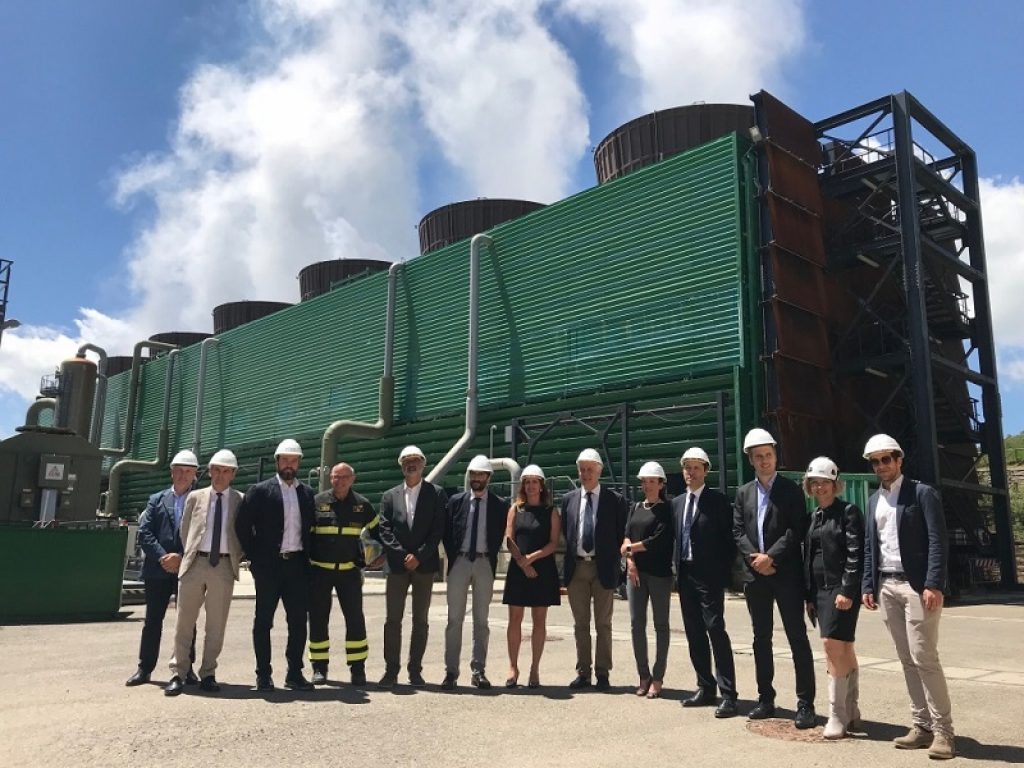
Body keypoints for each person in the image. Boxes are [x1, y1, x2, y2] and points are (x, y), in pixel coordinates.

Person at [861, 434, 955, 760]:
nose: (882, 465)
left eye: (887, 459)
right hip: (886, 587)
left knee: (924, 657)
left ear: (899, 460)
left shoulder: (922, 493)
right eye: (876, 461)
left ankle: (944, 732)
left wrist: (933, 583)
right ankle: (921, 726)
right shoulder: (873, 501)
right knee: (905, 659)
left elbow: (937, 541)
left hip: (916, 587)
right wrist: (867, 585)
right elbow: (871, 547)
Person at [733, 428, 816, 728]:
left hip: (785, 575)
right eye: (759, 457)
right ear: (751, 460)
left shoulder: (791, 490)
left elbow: (797, 530)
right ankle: (765, 699)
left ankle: (805, 704)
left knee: (797, 638)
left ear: (775, 456)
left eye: (769, 455)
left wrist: (772, 557)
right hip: (757, 577)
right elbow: (738, 531)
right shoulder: (743, 493)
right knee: (761, 639)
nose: (765, 461)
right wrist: (756, 559)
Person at [235, 438, 316, 692]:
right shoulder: (259, 491)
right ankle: (263, 675)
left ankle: (294, 673)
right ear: (277, 462)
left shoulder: (306, 494)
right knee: (263, 621)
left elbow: (310, 529)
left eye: (294, 460)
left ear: (299, 463)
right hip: (268, 567)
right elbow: (242, 525)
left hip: (297, 566)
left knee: (297, 622)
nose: (289, 465)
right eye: (285, 460)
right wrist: (253, 555)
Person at [165, 449, 244, 696]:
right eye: (216, 470)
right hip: (195, 564)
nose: (220, 475)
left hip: (222, 567)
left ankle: (208, 673)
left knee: (216, 625)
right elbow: (185, 530)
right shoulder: (195, 498)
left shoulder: (240, 500)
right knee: (184, 623)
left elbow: (241, 532)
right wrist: (191, 554)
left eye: (226, 471)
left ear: (233, 474)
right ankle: (178, 673)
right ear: (209, 472)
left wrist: (234, 557)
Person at [672, 447, 739, 718]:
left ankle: (729, 694)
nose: (691, 472)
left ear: (706, 471)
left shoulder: (718, 501)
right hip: (686, 576)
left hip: (708, 577)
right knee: (694, 632)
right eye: (687, 467)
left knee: (715, 630)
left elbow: (729, 540)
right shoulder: (676, 503)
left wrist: (722, 574)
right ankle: (705, 686)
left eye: (696, 467)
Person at [802, 457, 864, 739]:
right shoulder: (814, 517)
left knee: (830, 646)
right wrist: (809, 595)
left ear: (834, 484)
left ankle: (836, 715)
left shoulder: (848, 512)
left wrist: (847, 590)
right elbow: (809, 558)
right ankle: (852, 710)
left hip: (839, 590)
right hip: (819, 591)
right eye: (814, 482)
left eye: (824, 482)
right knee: (844, 648)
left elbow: (855, 553)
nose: (819, 486)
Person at [126, 449, 199, 687]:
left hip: (187, 569)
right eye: (179, 470)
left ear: (194, 475)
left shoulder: (199, 500)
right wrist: (163, 557)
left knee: (187, 622)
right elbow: (145, 533)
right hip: (157, 570)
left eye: (188, 471)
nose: (183, 475)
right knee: (152, 621)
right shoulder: (156, 499)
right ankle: (144, 668)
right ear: (172, 473)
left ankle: (186, 668)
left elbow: (202, 534)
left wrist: (181, 557)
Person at [376, 445, 447, 688]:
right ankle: (391, 671)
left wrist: (418, 556)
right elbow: (384, 530)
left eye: (415, 460)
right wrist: (402, 555)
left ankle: (415, 670)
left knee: (421, 620)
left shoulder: (436, 494)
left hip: (424, 566)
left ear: (423, 464)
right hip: (397, 567)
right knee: (392, 620)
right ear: (401, 465)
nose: (411, 464)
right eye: (406, 460)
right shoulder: (389, 496)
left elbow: (438, 530)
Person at [308, 462, 381, 687]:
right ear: (330, 479)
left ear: (353, 479)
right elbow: (305, 535)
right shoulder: (317, 502)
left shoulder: (362, 505)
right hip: (320, 571)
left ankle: (357, 669)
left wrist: (382, 555)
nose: (339, 481)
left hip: (349, 572)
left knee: (355, 620)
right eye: (335, 477)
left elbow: (380, 532)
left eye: (344, 477)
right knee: (319, 619)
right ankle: (319, 668)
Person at [561, 448, 627, 690]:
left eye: (590, 469)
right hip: (577, 568)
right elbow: (566, 533)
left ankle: (602, 673)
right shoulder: (569, 499)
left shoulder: (615, 500)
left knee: (603, 624)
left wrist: (621, 566)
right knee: (580, 625)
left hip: (603, 568)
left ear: (599, 471)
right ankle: (583, 672)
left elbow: (622, 535)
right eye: (582, 469)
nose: (586, 474)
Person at [441, 455, 509, 690]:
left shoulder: (500, 505)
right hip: (459, 561)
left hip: (483, 563)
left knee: (481, 620)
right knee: (454, 620)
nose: (477, 479)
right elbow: (447, 532)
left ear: (488, 477)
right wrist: (454, 556)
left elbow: (501, 533)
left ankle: (478, 670)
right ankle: (451, 672)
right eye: (474, 474)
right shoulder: (456, 502)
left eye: (481, 475)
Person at [502, 463, 560, 688]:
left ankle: (534, 669)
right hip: (519, 570)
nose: (531, 486)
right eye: (527, 482)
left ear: (542, 486)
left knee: (539, 621)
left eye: (535, 482)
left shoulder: (551, 512)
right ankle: (513, 667)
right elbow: (509, 539)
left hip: (542, 571)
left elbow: (553, 543)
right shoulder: (515, 509)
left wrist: (532, 559)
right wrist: (522, 563)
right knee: (514, 619)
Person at [621, 461, 673, 699]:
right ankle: (643, 675)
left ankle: (658, 676)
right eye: (644, 481)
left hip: (659, 575)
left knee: (661, 625)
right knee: (636, 625)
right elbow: (626, 537)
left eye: (653, 481)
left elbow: (658, 540)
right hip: (635, 574)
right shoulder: (634, 507)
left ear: (661, 484)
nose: (648, 485)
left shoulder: (667, 509)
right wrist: (630, 562)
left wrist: (631, 549)